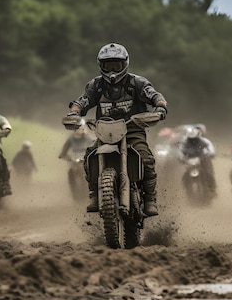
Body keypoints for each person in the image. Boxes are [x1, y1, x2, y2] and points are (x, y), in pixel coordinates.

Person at [66, 42, 168, 216]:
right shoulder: (96, 86)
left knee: (146, 157)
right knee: (90, 155)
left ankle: (150, 199)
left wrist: (160, 107)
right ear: (101, 65)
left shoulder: (137, 83)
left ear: (125, 64)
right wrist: (74, 114)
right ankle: (95, 195)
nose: (112, 71)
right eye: (108, 66)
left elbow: (155, 95)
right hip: (105, 132)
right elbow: (82, 101)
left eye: (116, 65)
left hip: (133, 130)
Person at [175, 125, 217, 192]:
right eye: (191, 138)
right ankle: (187, 190)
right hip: (189, 160)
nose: (192, 140)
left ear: (197, 136)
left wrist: (211, 153)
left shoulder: (203, 141)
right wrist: (181, 158)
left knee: (208, 172)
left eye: (194, 138)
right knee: (185, 176)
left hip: (201, 159)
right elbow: (180, 150)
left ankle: (212, 189)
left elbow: (210, 147)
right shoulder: (184, 142)